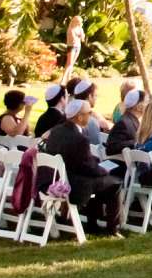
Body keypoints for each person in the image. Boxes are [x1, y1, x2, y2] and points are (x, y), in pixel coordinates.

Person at [42, 97, 123, 234]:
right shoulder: (80, 138)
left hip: (57, 179)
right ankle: (112, 228)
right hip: (75, 185)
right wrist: (103, 170)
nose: (91, 115)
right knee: (115, 183)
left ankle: (93, 223)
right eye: (89, 113)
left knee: (101, 180)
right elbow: (88, 167)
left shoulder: (56, 132)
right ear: (79, 117)